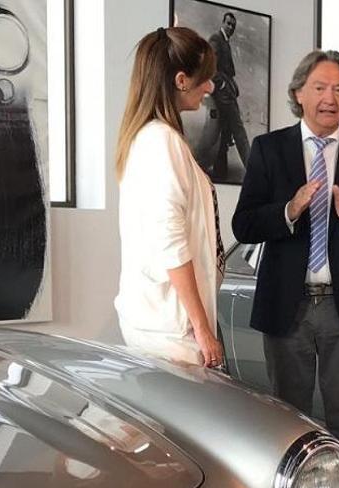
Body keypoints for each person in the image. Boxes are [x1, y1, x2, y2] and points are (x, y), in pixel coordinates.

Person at [231, 50, 339, 488]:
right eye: (320, 87)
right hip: (289, 306)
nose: (330, 98)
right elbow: (243, 224)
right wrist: (289, 209)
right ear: (299, 93)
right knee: (287, 427)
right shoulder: (269, 149)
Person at [113, 27, 225, 369]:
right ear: (180, 80)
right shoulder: (162, 141)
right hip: (172, 331)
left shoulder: (147, 138)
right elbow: (170, 242)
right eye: (204, 79)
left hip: (159, 322)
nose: (209, 88)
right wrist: (202, 329)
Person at [209, 12, 250, 178]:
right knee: (238, 129)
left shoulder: (225, 41)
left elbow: (229, 69)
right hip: (223, 93)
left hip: (227, 90)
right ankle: (254, 171)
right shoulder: (216, 39)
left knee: (226, 133)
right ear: (223, 22)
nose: (231, 27)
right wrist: (221, 83)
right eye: (228, 23)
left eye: (233, 25)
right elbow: (209, 64)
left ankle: (220, 171)